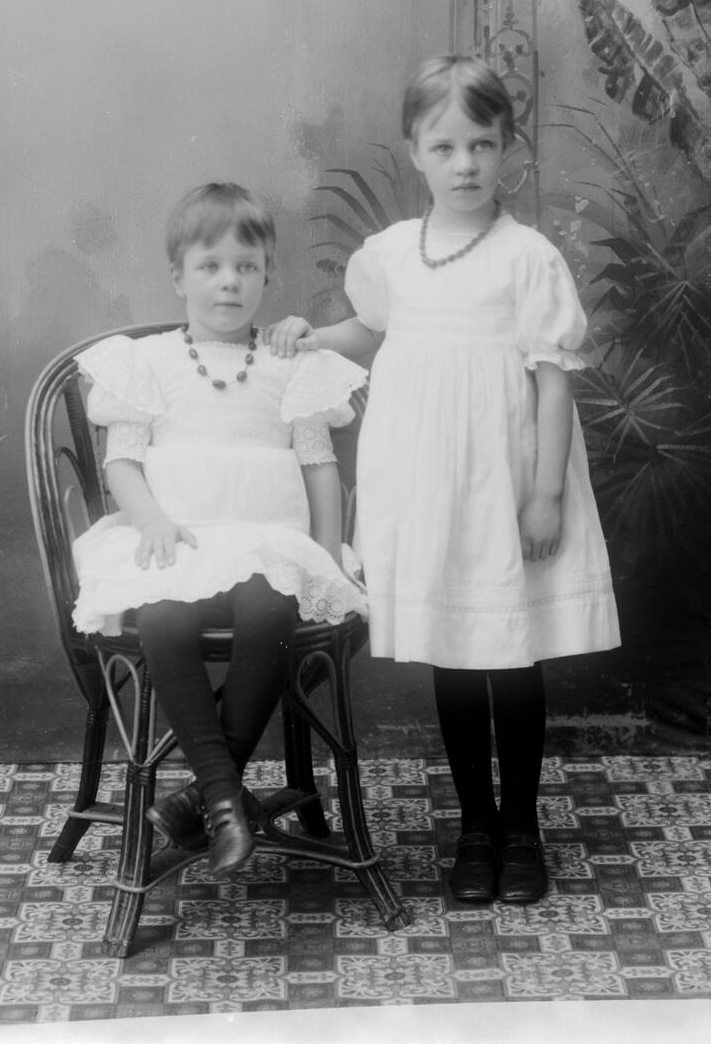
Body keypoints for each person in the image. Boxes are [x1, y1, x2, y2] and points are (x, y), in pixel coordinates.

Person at [267, 55, 621, 904]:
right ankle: (474, 828)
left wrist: (543, 495)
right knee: (456, 654)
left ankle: (520, 830)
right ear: (415, 153)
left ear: (507, 149)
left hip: (505, 477)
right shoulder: (393, 254)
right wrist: (312, 337)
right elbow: (370, 329)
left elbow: (551, 381)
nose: (464, 164)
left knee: (513, 655)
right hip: (427, 479)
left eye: (482, 145)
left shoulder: (526, 257)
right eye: (444, 146)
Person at [71, 182, 368, 880]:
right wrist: (151, 520)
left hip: (269, 547)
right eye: (209, 266)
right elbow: (122, 462)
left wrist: (325, 558)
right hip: (180, 542)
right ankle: (224, 797)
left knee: (270, 609)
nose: (228, 282)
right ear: (178, 276)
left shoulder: (289, 364)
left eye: (245, 266)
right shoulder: (148, 363)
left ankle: (206, 797)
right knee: (165, 618)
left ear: (267, 276)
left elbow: (319, 467)